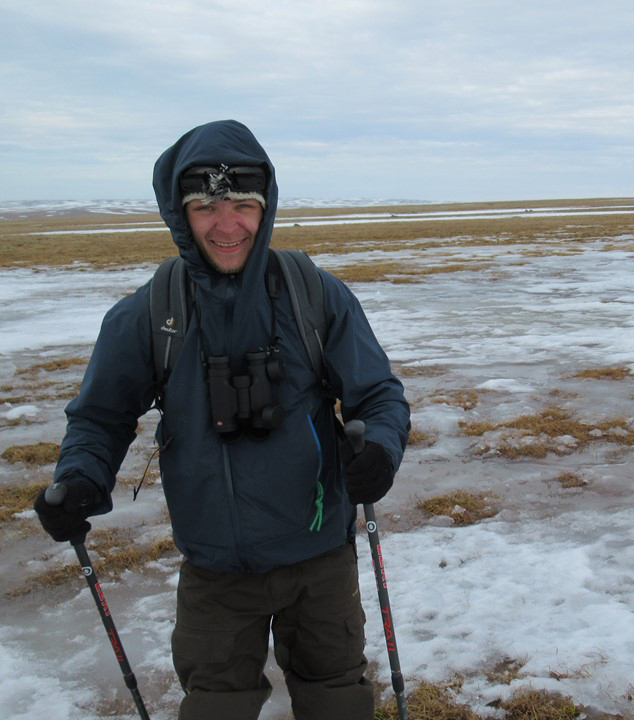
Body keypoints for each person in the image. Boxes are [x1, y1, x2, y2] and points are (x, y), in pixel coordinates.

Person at [32, 119, 411, 720]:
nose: (226, 225)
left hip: (319, 557)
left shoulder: (315, 297)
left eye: (242, 205)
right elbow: (100, 418)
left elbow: (379, 395)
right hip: (215, 569)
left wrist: (381, 450)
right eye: (206, 206)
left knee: (337, 697)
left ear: (266, 208)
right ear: (181, 214)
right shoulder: (151, 314)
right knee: (215, 706)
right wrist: (80, 480)